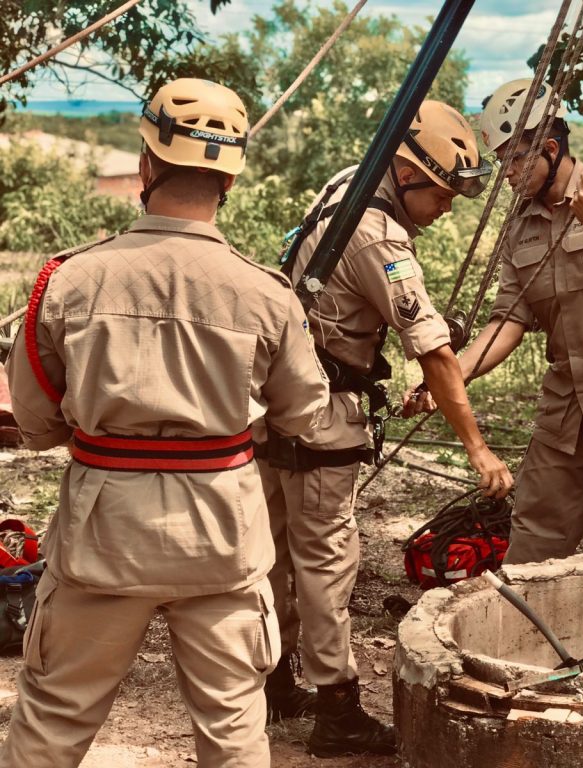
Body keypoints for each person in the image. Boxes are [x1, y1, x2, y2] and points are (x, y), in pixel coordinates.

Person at [0, 78, 337, 767]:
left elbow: (34, 422)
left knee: (54, 723)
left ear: (147, 163)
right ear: (230, 177)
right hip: (220, 535)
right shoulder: (265, 294)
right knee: (234, 730)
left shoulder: (69, 280)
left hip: (103, 533)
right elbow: (305, 413)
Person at [257, 99, 513, 757]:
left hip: (275, 409)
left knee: (275, 558)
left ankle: (274, 681)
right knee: (325, 569)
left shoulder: (345, 186)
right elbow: (432, 348)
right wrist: (478, 449)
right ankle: (336, 707)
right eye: (444, 192)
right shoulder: (379, 235)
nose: (449, 207)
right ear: (407, 171)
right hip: (318, 424)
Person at [406, 78, 583, 565]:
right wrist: (448, 378)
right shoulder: (523, 226)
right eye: (503, 162)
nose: (509, 174)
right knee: (529, 556)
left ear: (551, 148)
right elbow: (507, 322)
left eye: (516, 160)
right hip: (566, 420)